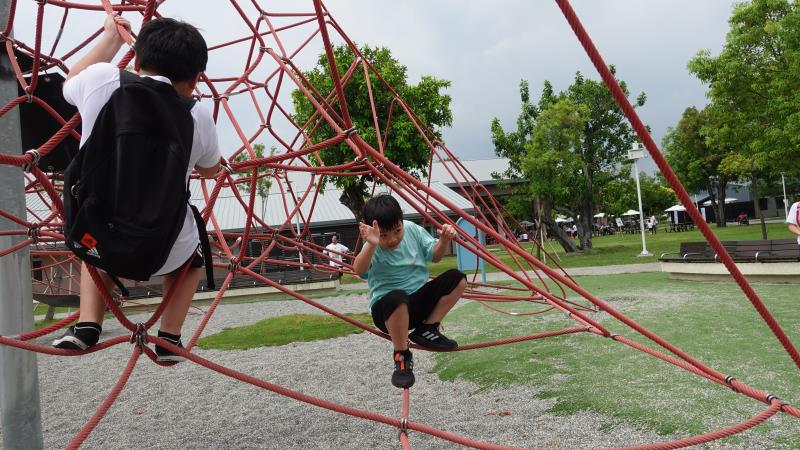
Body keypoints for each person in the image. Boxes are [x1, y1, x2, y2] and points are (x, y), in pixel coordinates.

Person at [52, 15, 222, 363]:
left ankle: (87, 325)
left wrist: (111, 38)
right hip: (161, 250)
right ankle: (169, 338)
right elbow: (210, 167)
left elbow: (69, 82)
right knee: (195, 257)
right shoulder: (197, 113)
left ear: (138, 61)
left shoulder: (102, 80)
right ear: (195, 79)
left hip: (93, 238)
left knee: (97, 221)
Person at [352, 194, 466, 389]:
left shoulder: (413, 230)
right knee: (398, 297)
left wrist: (444, 240)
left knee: (457, 278)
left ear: (402, 221)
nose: (393, 239)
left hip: (418, 304)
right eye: (384, 236)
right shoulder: (372, 244)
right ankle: (402, 356)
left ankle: (427, 329)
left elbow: (435, 256)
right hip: (388, 310)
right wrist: (371, 243)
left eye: (397, 230)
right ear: (374, 231)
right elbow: (359, 270)